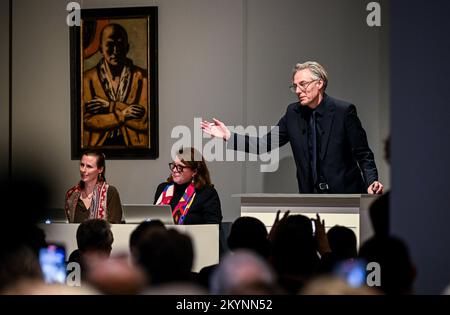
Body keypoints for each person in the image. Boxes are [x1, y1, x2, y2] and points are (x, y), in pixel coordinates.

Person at [201, 61, 383, 194]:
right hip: (310, 197)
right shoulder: (293, 113)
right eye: (294, 86)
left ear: (319, 83)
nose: (297, 91)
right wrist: (228, 136)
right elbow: (265, 144)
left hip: (346, 196)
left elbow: (363, 153)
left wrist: (372, 181)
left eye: (302, 84)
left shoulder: (343, 112)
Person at [83, 23, 148, 147]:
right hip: (97, 148)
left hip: (136, 149)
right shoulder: (87, 79)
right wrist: (123, 115)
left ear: (127, 47)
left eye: (119, 44)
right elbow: (87, 121)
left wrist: (110, 106)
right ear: (100, 48)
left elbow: (145, 121)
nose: (115, 50)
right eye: (110, 44)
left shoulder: (143, 77)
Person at [154, 147, 222, 224]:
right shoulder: (162, 188)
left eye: (180, 167)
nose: (174, 170)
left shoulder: (206, 193)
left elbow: (213, 227)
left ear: (194, 171)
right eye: (174, 165)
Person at [65, 150, 123, 223]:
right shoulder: (71, 194)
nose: (83, 170)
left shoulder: (110, 192)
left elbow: (115, 225)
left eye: (89, 166)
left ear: (100, 169)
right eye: (82, 165)